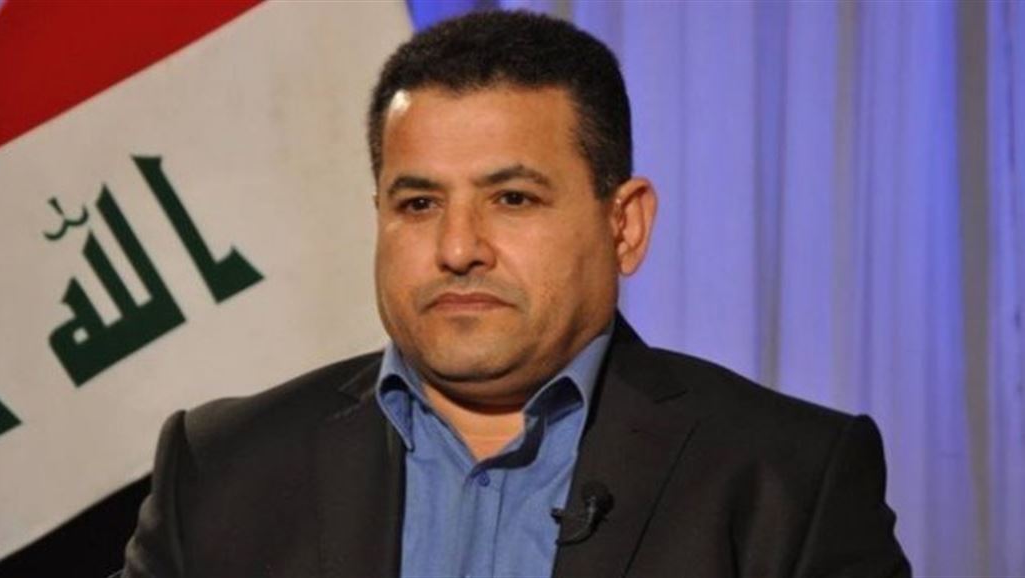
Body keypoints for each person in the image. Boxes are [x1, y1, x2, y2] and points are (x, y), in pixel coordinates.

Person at [121, 10, 910, 578]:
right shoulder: (220, 467)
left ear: (625, 225)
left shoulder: (787, 479)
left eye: (512, 199)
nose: (458, 248)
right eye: (418, 204)